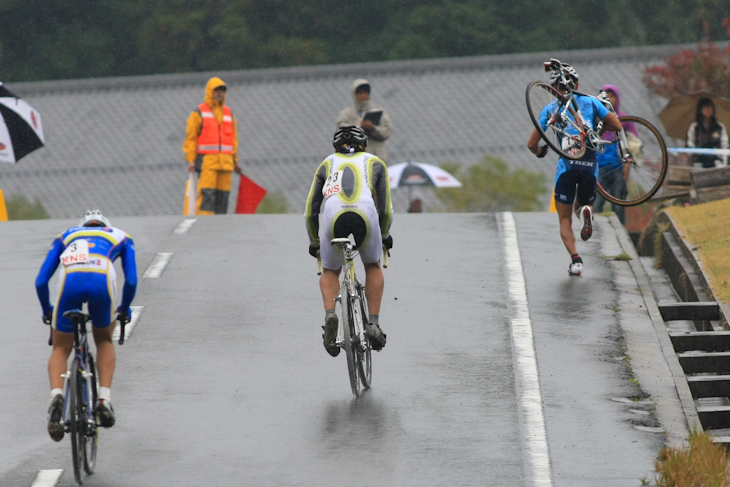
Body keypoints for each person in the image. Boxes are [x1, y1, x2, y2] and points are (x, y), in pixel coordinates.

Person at [35, 209, 137, 441]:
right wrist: (125, 307)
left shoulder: (66, 236)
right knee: (103, 339)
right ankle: (103, 400)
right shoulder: (121, 236)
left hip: (70, 280)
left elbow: (41, 281)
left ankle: (57, 395)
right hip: (102, 278)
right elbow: (130, 280)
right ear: (105, 225)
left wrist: (47, 312)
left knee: (60, 348)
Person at [526, 61, 622, 276]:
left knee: (564, 218)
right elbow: (616, 125)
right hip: (589, 166)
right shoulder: (590, 102)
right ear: (575, 84)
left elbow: (532, 144)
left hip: (566, 168)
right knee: (583, 205)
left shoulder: (550, 109)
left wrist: (539, 152)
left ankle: (576, 261)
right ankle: (585, 212)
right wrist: (599, 128)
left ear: (554, 88)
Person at [304, 126, 393, 355]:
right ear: (364, 145)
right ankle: (372, 323)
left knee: (330, 271)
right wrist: (383, 236)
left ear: (335, 147)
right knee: (372, 266)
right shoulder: (375, 162)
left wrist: (315, 241)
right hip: (365, 214)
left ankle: (330, 315)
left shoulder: (326, 164)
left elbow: (310, 210)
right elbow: (385, 209)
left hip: (333, 215)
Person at [183, 77, 242, 215]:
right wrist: (191, 160)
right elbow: (190, 139)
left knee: (223, 197)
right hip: (207, 163)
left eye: (222, 90)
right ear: (210, 91)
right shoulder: (198, 112)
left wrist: (235, 161)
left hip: (226, 164)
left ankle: (220, 227)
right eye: (216, 90)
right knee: (207, 196)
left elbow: (233, 140)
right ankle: (205, 225)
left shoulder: (229, 114)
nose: (219, 93)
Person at [593, 84, 639, 225]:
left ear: (617, 99)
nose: (610, 99)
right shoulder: (595, 119)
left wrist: (628, 163)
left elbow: (634, 142)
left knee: (619, 203)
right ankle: (594, 232)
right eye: (606, 96)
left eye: (612, 96)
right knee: (597, 204)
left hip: (618, 167)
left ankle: (622, 232)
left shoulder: (624, 120)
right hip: (599, 167)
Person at [336, 79, 393, 163]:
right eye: (360, 93)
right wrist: (359, 127)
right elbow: (341, 130)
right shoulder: (346, 114)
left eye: (365, 92)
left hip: (377, 159)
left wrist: (373, 128)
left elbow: (387, 131)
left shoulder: (379, 111)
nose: (363, 95)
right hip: (355, 159)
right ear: (354, 95)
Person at [686, 97, 729, 168]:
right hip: (699, 162)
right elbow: (690, 144)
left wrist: (724, 162)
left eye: (710, 107)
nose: (708, 110)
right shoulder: (695, 127)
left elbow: (724, 145)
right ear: (700, 109)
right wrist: (695, 153)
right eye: (705, 107)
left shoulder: (719, 127)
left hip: (717, 162)